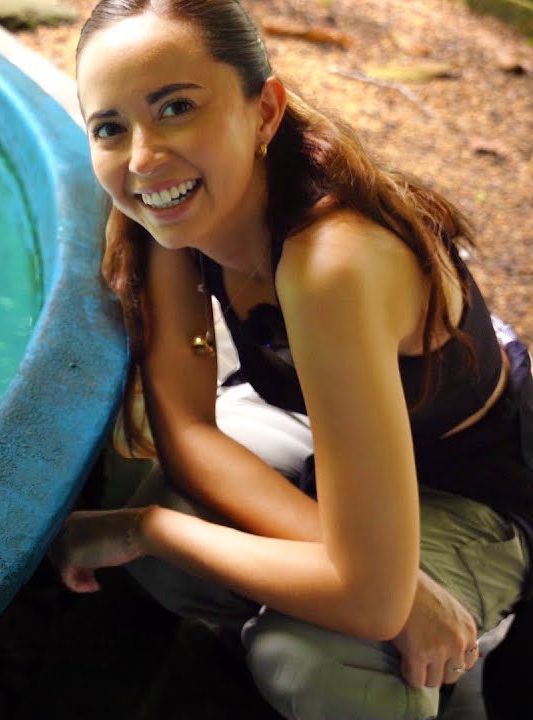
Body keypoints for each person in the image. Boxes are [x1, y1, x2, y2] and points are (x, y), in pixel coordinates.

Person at [50, 1, 533, 718]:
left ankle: (450, 668)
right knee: (152, 498)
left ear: (265, 111)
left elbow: (372, 601)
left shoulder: (332, 264)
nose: (143, 157)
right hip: (330, 447)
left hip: (475, 490)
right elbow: (187, 432)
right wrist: (380, 580)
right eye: (110, 127)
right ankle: (261, 637)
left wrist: (145, 529)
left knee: (314, 658)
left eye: (177, 107)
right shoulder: (169, 208)